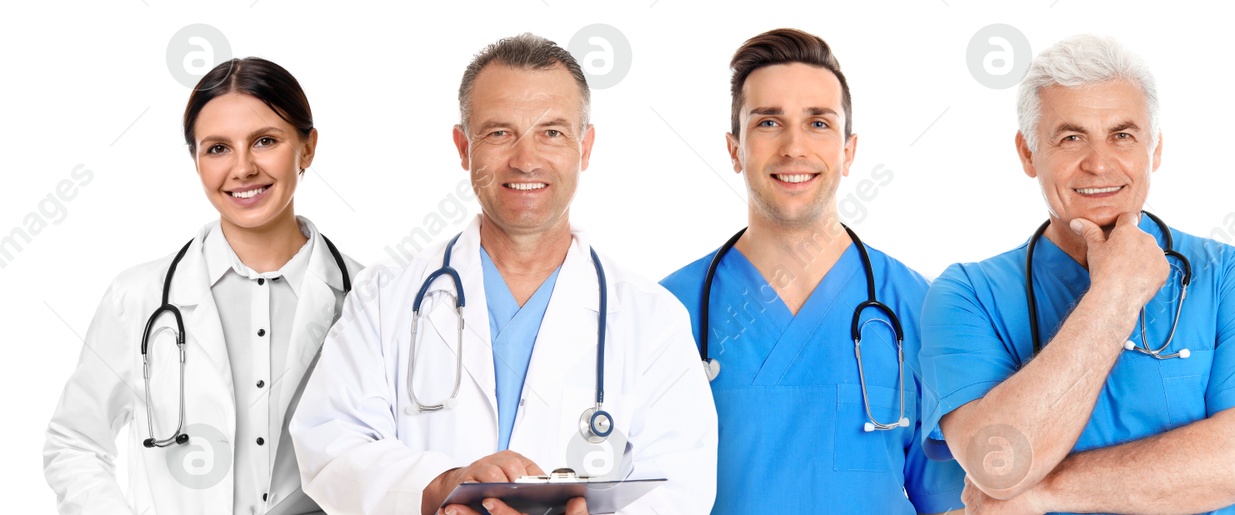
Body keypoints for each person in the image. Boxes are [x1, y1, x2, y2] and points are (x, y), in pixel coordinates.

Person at [288, 33, 716, 515]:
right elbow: (328, 442)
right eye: (499, 132)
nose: (526, 158)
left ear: (585, 147)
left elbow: (682, 487)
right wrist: (438, 485)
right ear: (463, 147)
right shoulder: (385, 296)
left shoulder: (652, 318)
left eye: (551, 132)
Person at [918, 34, 1235, 514]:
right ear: (1026, 153)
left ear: (1155, 149)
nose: (1099, 163)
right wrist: (1115, 294)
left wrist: (1043, 491)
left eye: (1122, 135)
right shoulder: (967, 294)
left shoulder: (1230, 276)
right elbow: (999, 464)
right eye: (1071, 137)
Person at [658, 28, 965, 514]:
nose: (794, 148)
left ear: (849, 149)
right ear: (734, 149)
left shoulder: (915, 306)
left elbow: (949, 501)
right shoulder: (667, 313)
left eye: (819, 123)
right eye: (768, 123)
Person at [43, 57, 362, 514]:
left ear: (307, 148)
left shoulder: (368, 298)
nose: (243, 168)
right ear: (195, 159)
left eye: (265, 141)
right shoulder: (138, 298)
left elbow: (399, 453)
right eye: (217, 148)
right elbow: (75, 442)